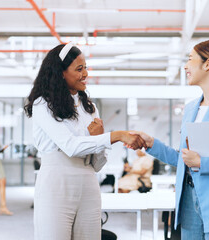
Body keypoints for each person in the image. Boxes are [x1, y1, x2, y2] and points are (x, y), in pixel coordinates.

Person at [128, 40, 209, 240]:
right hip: (189, 199)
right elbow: (184, 159)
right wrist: (151, 143)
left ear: (208, 64)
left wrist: (202, 163)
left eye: (190, 59)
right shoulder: (191, 109)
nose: (185, 66)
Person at [23, 43, 146, 240]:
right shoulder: (43, 104)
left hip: (88, 184)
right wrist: (115, 136)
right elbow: (71, 146)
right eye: (79, 69)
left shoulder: (90, 108)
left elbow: (97, 164)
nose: (86, 73)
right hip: (57, 184)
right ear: (61, 73)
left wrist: (99, 139)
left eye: (86, 67)